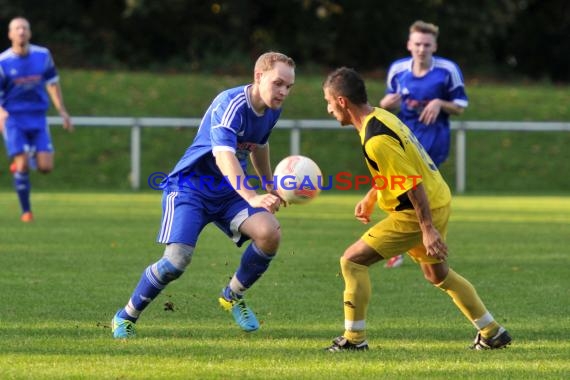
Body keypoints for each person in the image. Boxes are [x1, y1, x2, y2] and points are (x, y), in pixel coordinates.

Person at [322, 67, 510, 352]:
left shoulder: (376, 139)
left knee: (352, 261)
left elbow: (412, 183)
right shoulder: (381, 117)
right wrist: (373, 196)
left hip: (417, 213)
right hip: (438, 199)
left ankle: (354, 340)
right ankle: (491, 331)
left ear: (343, 102)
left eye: (328, 102)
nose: (328, 109)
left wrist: (428, 230)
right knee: (438, 275)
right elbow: (403, 168)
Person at [111, 51, 295, 338]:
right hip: (191, 188)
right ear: (259, 77)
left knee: (269, 233)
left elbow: (259, 145)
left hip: (228, 192)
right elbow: (224, 158)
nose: (283, 92)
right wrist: (252, 196)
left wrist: (269, 185)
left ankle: (232, 296)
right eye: (278, 83)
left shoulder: (272, 110)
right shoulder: (230, 103)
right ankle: (126, 316)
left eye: (288, 87)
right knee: (176, 262)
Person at [379, 20, 468, 268]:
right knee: (398, 192)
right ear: (409, 44)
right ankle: (411, 243)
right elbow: (388, 101)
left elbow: (460, 106)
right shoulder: (398, 70)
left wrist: (440, 103)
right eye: (417, 44)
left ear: (434, 46)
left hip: (433, 141)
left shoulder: (447, 70)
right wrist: (387, 105)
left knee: (414, 193)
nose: (421, 49)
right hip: (404, 140)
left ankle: (420, 242)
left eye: (426, 44)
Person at [0, 17, 73, 222]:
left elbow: (52, 83)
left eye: (25, 28)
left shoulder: (42, 55)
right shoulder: (3, 61)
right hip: (13, 117)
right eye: (17, 28)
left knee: (45, 167)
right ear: (10, 34)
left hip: (38, 117)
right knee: (22, 165)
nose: (21, 31)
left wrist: (62, 111)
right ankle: (26, 212)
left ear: (29, 33)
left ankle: (26, 157)